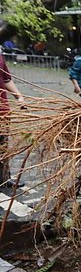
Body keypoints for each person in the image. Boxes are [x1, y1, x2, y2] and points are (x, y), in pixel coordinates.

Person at [0, 53, 26, 187]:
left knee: (3, 146)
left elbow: (6, 79)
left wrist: (19, 96)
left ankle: (4, 179)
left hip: (3, 111)